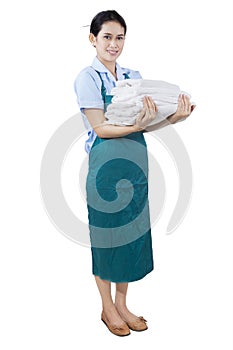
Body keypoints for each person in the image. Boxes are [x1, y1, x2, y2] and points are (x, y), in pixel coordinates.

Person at [74, 10, 194, 337]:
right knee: (106, 233)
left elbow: (146, 122)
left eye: (119, 37)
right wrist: (138, 124)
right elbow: (101, 126)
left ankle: (123, 304)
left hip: (136, 162)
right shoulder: (89, 78)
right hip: (106, 163)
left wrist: (175, 118)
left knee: (131, 231)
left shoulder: (133, 75)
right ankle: (106, 307)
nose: (114, 44)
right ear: (93, 39)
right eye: (107, 37)